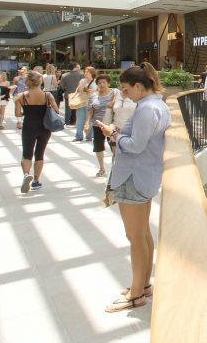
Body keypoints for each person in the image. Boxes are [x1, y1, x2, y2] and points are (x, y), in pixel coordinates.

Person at [98, 63, 170, 313]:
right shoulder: (158, 104)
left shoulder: (147, 109)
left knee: (135, 236)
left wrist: (113, 134)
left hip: (133, 176)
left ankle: (136, 292)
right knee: (143, 234)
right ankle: (143, 285)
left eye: (127, 89)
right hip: (144, 175)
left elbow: (136, 145)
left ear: (139, 86)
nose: (125, 94)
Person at [15, 70, 60, 193]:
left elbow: (17, 114)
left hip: (29, 126)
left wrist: (27, 112)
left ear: (27, 82)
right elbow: (57, 111)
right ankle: (36, 181)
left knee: (27, 153)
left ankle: (26, 175)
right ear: (40, 81)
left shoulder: (21, 96)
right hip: (44, 127)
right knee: (40, 154)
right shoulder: (47, 95)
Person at [88, 74, 118, 178]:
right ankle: (102, 168)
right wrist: (87, 122)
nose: (101, 84)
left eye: (104, 82)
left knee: (114, 146)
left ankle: (116, 168)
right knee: (98, 147)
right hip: (97, 125)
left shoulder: (114, 92)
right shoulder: (93, 95)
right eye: (99, 83)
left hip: (111, 124)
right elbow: (90, 110)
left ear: (108, 83)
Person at [71, 67, 95, 142]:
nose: (85, 73)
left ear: (92, 73)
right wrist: (82, 85)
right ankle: (79, 136)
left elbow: (95, 91)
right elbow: (78, 90)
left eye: (87, 72)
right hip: (81, 102)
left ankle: (89, 136)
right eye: (85, 72)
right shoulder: (82, 80)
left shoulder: (95, 81)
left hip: (91, 102)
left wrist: (87, 90)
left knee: (90, 120)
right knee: (80, 119)